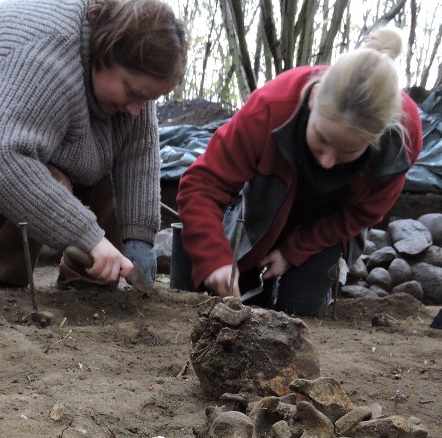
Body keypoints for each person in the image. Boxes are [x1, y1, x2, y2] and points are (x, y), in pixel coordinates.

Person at [0, 0, 187, 289]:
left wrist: (139, 238)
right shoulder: (47, 55)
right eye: (133, 93)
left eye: (147, 100)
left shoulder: (132, 74)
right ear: (107, 52)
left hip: (18, 130)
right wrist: (89, 236)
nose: (136, 110)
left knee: (104, 179)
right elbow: (0, 161)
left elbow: (137, 154)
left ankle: (88, 290)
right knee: (30, 185)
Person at [174, 27, 423, 315]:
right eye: (322, 139)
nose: (327, 162)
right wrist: (214, 257)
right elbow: (201, 184)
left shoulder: (400, 142)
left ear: (376, 139)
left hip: (328, 226)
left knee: (300, 309)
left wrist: (293, 252)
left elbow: (364, 212)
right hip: (266, 206)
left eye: (348, 152)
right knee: (246, 299)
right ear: (314, 97)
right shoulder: (270, 108)